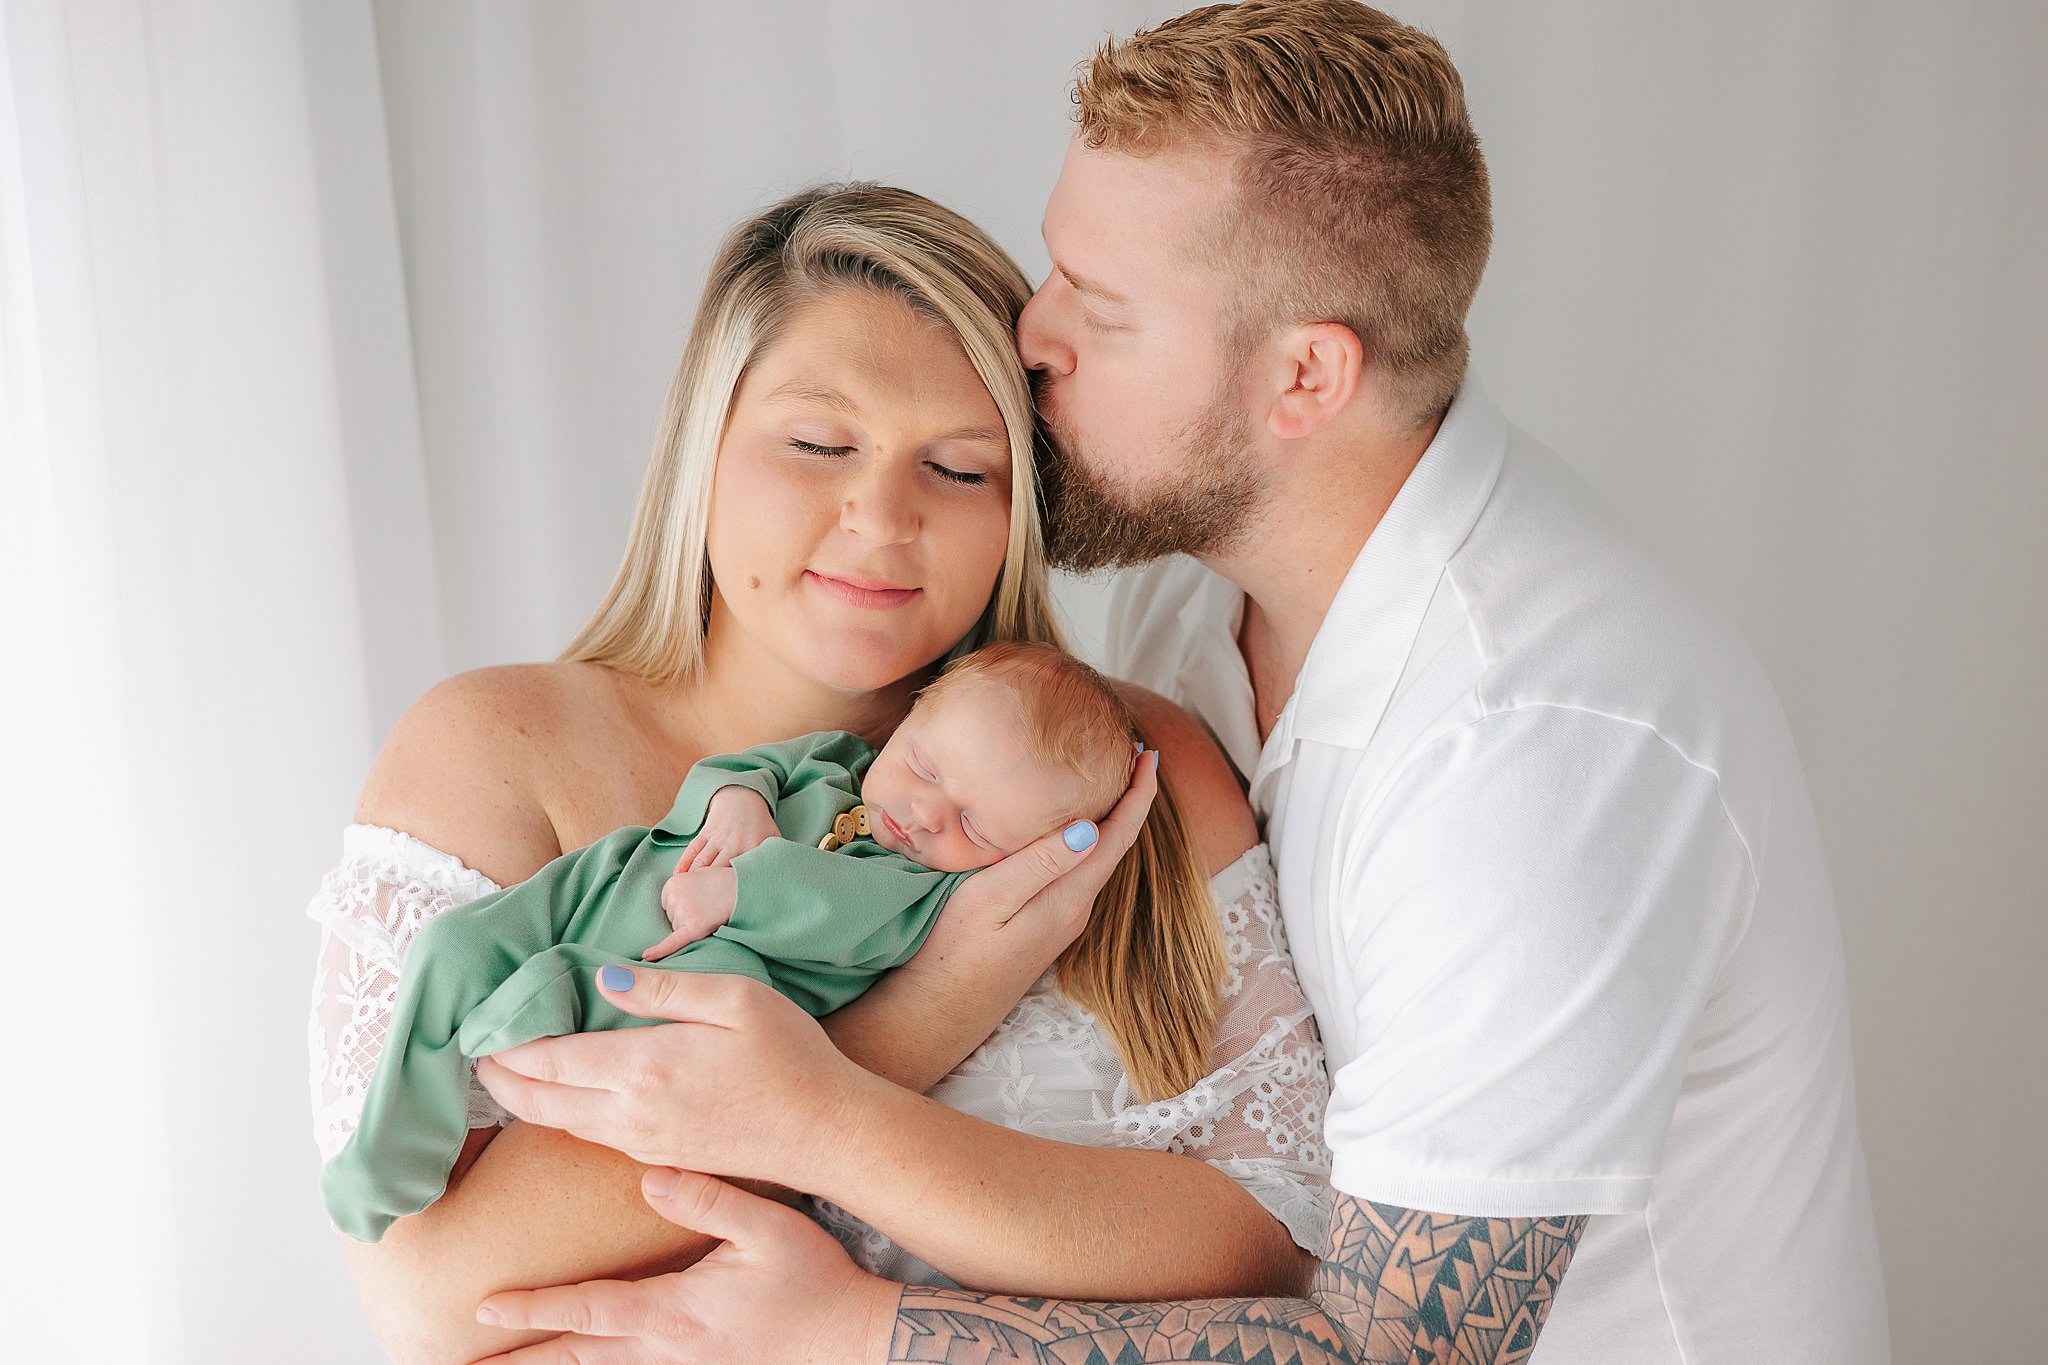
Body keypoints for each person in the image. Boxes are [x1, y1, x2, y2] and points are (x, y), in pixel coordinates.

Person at [459, 3, 1892, 1362]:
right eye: (1053, 265)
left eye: (1102, 303)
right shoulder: (1180, 602)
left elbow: (1396, 1351)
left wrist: (856, 1329)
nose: (1030, 335)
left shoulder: (1533, 747)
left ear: (1306, 381)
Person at [303, 183, 1332, 1361]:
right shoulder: (498, 752)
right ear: (705, 447)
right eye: (819, 443)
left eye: (958, 469)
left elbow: (1275, 1238)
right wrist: (911, 1016)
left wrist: (858, 1301)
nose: (881, 514)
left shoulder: (1119, 771)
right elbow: (434, 1302)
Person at [320, 641, 1221, 1246]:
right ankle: (391, 1144)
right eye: (927, 766)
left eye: (977, 829)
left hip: (696, 963)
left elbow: (842, 913)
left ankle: (538, 1012)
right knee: (450, 947)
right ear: (910, 718)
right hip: (608, 881)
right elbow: (750, 766)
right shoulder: (838, 759)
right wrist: (737, 801)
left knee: (578, 1007)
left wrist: (739, 889)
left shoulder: (925, 890)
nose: (922, 813)